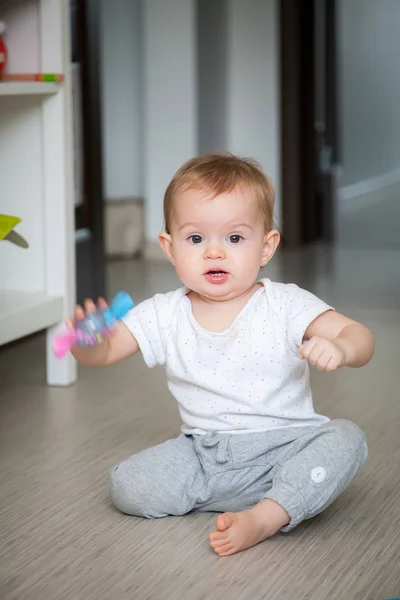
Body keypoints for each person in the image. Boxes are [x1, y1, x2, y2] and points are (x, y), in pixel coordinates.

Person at [70, 153, 374, 557]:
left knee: (346, 439)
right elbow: (106, 352)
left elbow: (360, 337)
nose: (214, 252)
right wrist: (86, 344)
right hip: (204, 452)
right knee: (127, 485)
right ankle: (276, 494)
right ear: (170, 247)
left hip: (286, 445)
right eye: (196, 239)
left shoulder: (284, 304)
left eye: (234, 238)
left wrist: (340, 346)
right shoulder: (164, 312)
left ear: (266, 247)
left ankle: (267, 514)